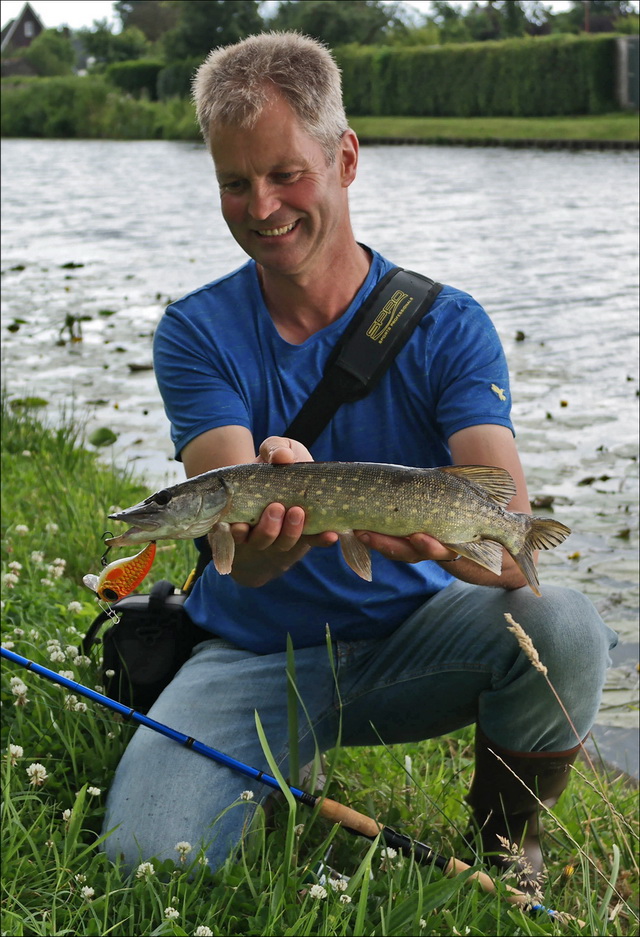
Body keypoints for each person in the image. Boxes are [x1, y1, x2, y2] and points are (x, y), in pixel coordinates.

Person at [103, 32, 617, 891]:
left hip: (416, 644)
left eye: (284, 173)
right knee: (145, 864)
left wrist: (453, 547)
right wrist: (264, 539)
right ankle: (273, 769)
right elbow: (244, 537)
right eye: (235, 182)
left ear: (345, 158)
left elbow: (508, 551)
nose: (261, 205)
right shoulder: (194, 330)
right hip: (251, 652)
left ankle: (508, 842)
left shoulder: (450, 325)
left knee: (561, 619)